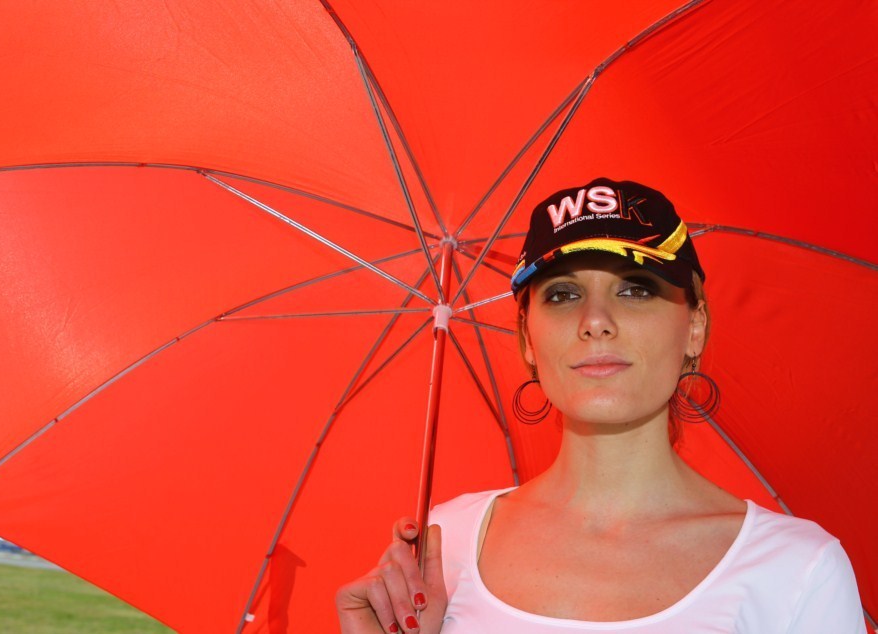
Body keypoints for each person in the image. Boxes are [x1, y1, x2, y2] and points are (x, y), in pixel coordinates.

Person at [336, 178, 866, 633]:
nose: (594, 321)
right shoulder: (439, 548)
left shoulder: (795, 572)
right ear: (527, 337)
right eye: (562, 295)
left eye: (636, 289)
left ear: (695, 326)